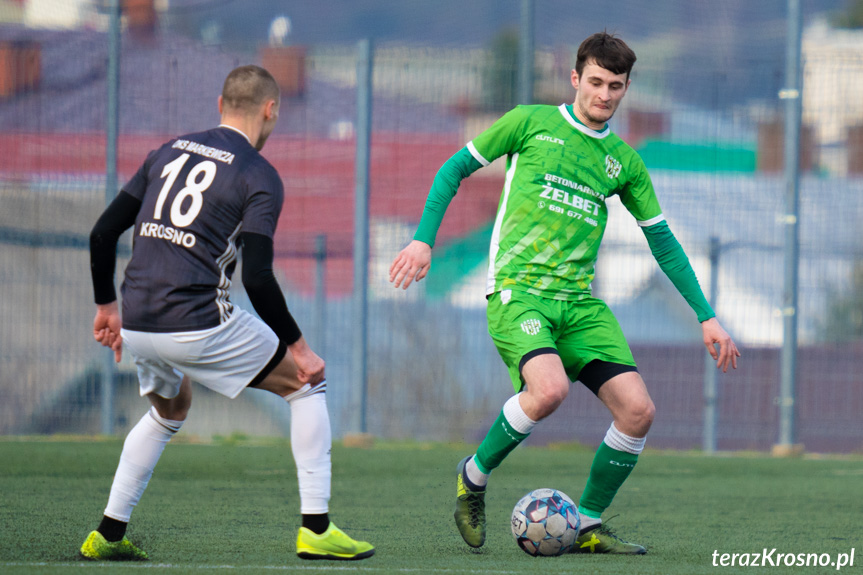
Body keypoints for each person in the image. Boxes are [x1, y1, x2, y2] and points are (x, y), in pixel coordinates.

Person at [389, 32, 739, 554]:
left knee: (638, 412)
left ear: (625, 89)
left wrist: (706, 315)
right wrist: (423, 240)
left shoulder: (624, 162)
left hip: (579, 305)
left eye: (615, 86)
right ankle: (473, 477)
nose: (604, 94)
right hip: (519, 293)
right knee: (548, 390)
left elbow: (662, 242)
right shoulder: (529, 121)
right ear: (575, 78)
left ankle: (588, 526)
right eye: (595, 81)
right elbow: (454, 169)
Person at [82, 65, 374, 562]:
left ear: (220, 105)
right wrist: (299, 349)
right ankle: (317, 529)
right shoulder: (258, 175)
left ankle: (107, 535)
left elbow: (101, 233)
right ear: (270, 110)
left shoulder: (167, 150)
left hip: (137, 321)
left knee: (168, 411)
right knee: (306, 385)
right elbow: (257, 277)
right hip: (194, 323)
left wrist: (106, 306)